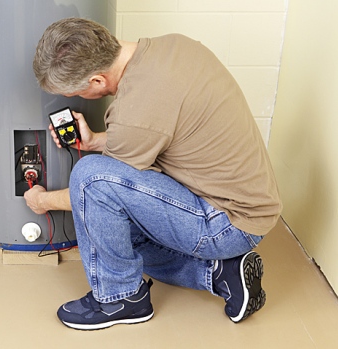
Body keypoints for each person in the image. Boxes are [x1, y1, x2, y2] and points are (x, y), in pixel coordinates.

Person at [25, 18, 282, 331]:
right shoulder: (173, 47)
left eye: (74, 92)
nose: (71, 99)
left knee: (90, 177)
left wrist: (43, 200)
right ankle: (219, 273)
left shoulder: (136, 110)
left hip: (228, 224)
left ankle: (122, 298)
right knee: (112, 232)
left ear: (96, 81)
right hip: (245, 204)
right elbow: (155, 132)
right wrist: (94, 140)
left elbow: (93, 189)